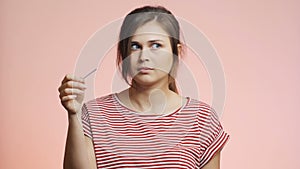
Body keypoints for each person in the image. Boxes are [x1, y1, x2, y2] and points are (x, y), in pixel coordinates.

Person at [58, 6, 229, 169]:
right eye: (135, 46)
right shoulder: (95, 113)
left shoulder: (202, 118)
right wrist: (74, 115)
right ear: (125, 54)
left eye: (156, 45)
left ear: (175, 52)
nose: (144, 56)